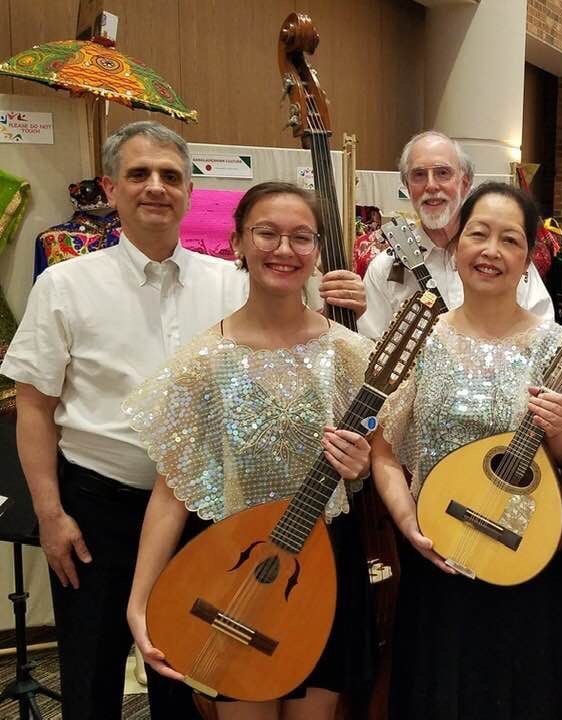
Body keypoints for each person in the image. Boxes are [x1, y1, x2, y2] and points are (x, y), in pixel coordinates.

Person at [0, 120, 366, 720]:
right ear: (110, 187)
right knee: (92, 674)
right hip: (101, 509)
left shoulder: (233, 281)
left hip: (214, 519)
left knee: (191, 678)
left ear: (190, 194)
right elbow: (33, 406)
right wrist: (50, 513)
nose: (156, 187)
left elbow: (297, 338)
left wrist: (346, 300)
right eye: (139, 173)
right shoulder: (65, 284)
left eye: (171, 176)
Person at [124, 182, 373, 719]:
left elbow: (375, 458)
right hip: (232, 571)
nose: (284, 250)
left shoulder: (351, 354)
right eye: (267, 233)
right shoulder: (202, 362)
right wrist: (139, 601)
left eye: (301, 237)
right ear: (238, 242)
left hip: (323, 569)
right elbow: (171, 492)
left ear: (317, 251)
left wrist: (364, 465)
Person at [370, 183, 562, 719]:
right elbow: (382, 449)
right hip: (436, 548)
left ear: (528, 259)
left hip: (526, 551)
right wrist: (409, 526)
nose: (491, 250)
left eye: (510, 240)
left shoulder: (557, 343)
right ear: (456, 247)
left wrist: (561, 427)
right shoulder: (420, 337)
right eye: (479, 234)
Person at [357, 130, 553, 337]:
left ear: (465, 183)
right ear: (407, 187)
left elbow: (541, 336)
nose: (431, 185)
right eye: (419, 175)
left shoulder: (500, 260)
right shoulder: (384, 269)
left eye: (443, 173)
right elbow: (372, 349)